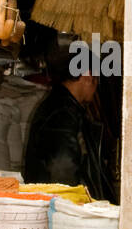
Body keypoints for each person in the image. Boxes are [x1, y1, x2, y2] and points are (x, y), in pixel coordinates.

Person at [23, 40, 114, 199]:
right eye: (96, 79)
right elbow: (62, 169)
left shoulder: (66, 107)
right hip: (61, 206)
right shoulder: (62, 113)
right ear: (87, 76)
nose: (96, 85)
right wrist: (77, 207)